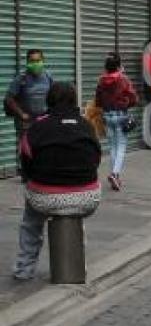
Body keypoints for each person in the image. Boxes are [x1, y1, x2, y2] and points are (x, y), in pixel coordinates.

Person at [13, 82, 101, 280]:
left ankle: (24, 269)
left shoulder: (37, 127)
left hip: (45, 199)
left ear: (48, 100)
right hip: (87, 199)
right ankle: (80, 265)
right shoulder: (87, 125)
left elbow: (26, 161)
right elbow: (95, 159)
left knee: (30, 222)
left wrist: (32, 180)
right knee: (74, 213)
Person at [4, 49, 53, 179]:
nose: (35, 63)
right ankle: (24, 172)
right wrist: (21, 114)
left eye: (38, 60)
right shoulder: (21, 78)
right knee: (25, 145)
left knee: (42, 144)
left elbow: (53, 95)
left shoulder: (48, 76)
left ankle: (38, 170)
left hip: (43, 117)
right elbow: (9, 98)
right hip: (25, 120)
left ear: (43, 61)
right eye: (32, 61)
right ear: (27, 62)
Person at [95, 53, 138, 191]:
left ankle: (116, 176)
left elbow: (98, 100)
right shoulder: (123, 79)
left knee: (113, 147)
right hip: (121, 116)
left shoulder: (101, 81)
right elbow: (133, 97)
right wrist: (127, 104)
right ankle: (114, 174)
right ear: (119, 66)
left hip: (107, 116)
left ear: (106, 67)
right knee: (121, 147)